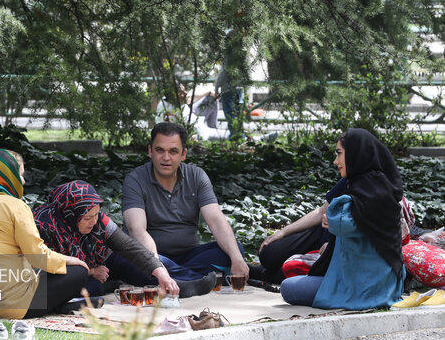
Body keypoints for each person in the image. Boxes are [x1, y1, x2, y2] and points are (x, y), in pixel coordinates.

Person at [0, 149, 89, 319]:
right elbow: (37, 256)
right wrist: (70, 260)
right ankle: (60, 304)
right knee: (78, 272)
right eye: (20, 174)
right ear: (7, 176)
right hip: (10, 307)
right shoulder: (15, 206)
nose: (23, 180)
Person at [280, 128, 405, 309]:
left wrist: (331, 220)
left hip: (361, 286)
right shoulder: (380, 185)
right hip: (387, 284)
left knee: (288, 287)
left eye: (339, 154)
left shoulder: (366, 189)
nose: (335, 161)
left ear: (355, 154)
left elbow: (342, 224)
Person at [34, 180, 216, 298]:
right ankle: (111, 284)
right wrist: (90, 271)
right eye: (87, 218)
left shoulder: (98, 221)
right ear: (70, 215)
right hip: (68, 272)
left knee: (142, 264)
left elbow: (129, 247)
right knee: (91, 289)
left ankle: (186, 285)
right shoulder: (44, 225)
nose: (94, 222)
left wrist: (161, 274)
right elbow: (46, 266)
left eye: (96, 214)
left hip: (101, 260)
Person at [122, 122, 249, 281]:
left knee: (234, 250)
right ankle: (195, 280)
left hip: (190, 256)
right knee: (132, 262)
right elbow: (136, 230)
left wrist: (236, 258)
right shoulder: (135, 180)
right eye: (160, 150)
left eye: (173, 151)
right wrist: (156, 266)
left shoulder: (196, 176)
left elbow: (216, 221)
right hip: (151, 256)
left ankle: (180, 278)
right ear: (150, 151)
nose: (166, 158)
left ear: (183, 154)